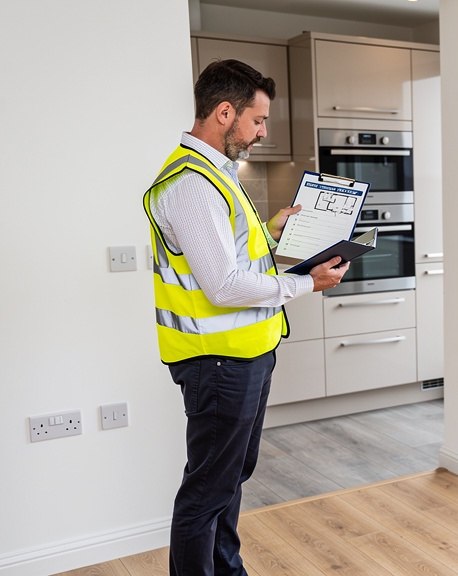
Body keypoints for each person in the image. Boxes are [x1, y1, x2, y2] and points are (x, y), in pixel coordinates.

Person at [143, 59, 349, 576]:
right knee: (208, 489)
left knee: (230, 478)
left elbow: (236, 257)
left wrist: (274, 231)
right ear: (224, 111)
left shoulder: (218, 176)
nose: (261, 133)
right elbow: (224, 285)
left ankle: (228, 571)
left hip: (246, 353)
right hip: (217, 362)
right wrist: (308, 282)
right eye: (257, 121)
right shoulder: (193, 184)